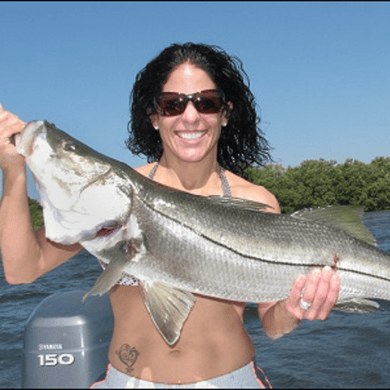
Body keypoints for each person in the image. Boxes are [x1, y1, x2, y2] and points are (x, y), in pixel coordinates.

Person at [0, 42, 340, 388]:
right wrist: (13, 172)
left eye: (207, 102)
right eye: (172, 104)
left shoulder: (257, 200)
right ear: (154, 116)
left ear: (224, 113)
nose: (190, 116)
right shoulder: (112, 198)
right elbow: (22, 269)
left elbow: (272, 323)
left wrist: (296, 308)